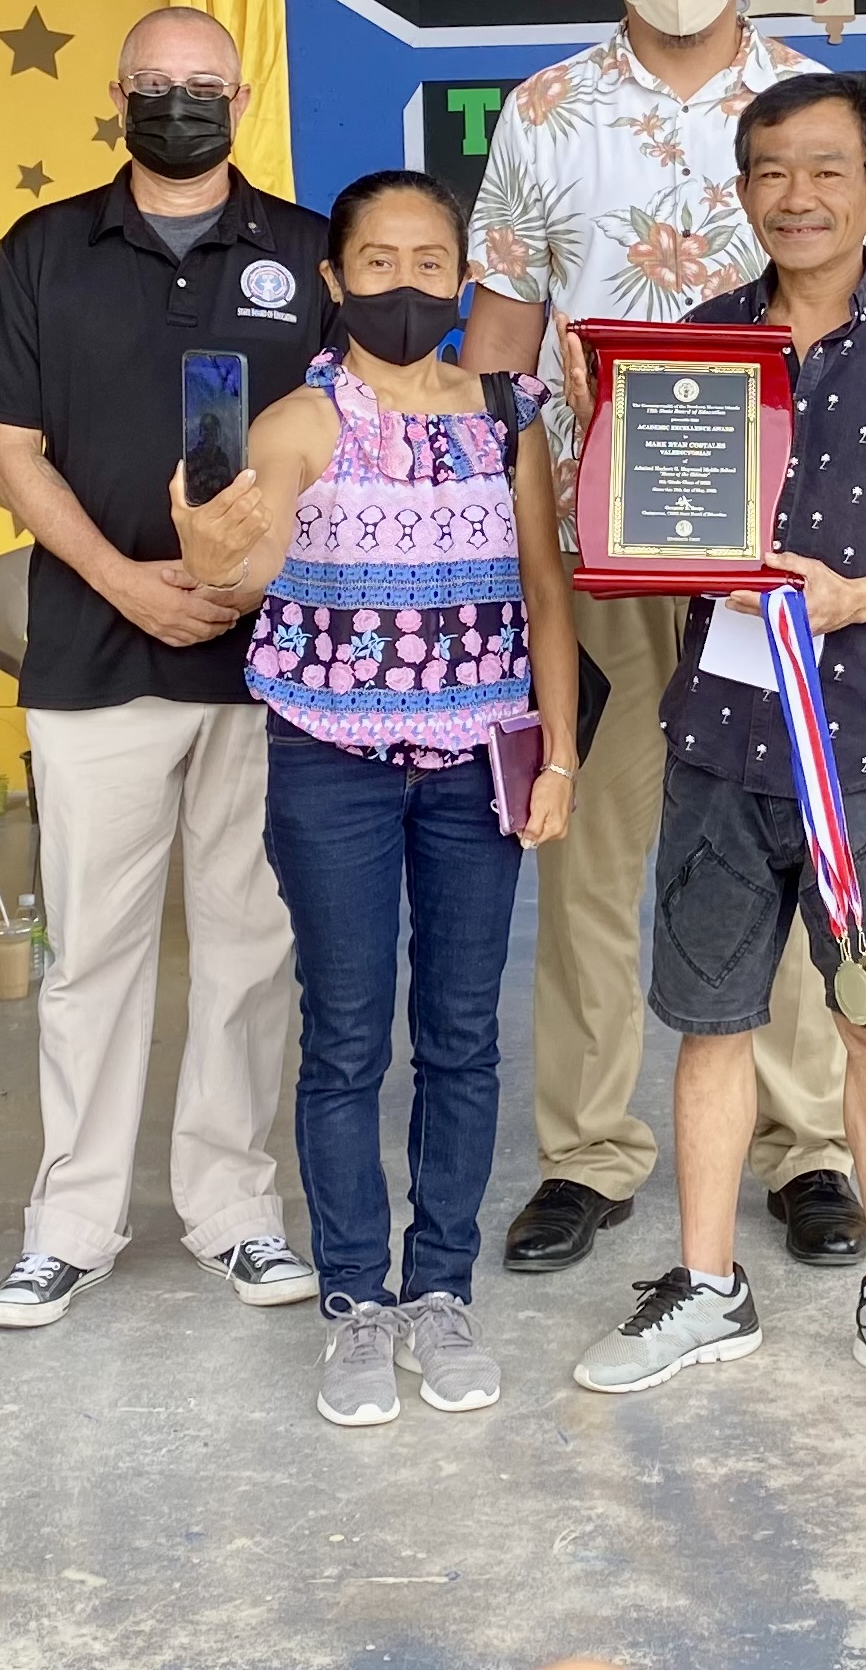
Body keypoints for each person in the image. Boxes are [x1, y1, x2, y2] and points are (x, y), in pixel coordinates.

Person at [460, 0, 866, 1277]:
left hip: (772, 555)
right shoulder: (542, 113)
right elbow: (501, 339)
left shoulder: (800, 107)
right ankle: (589, 1156)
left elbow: (862, 318)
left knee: (779, 836)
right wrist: (489, 517)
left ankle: (806, 1148)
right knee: (592, 847)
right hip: (600, 547)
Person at [566, 72, 866, 1418]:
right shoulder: (695, 351)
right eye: (770, 171)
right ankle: (705, 1287)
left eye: (827, 169)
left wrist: (863, 594)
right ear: (743, 191)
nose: (798, 195)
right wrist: (637, 534)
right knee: (710, 1023)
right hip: (719, 739)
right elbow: (639, 531)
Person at [168, 170, 581, 1429]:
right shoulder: (296, 422)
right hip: (332, 764)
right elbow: (237, 579)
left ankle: (439, 1288)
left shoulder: (509, 414)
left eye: (432, 261)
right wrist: (204, 526)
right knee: (346, 1036)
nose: (409, 284)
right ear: (335, 280)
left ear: (464, 280)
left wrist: (557, 754)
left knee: (460, 1034)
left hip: (478, 764)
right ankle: (356, 1299)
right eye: (381, 262)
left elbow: (546, 592)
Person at [0, 6, 331, 1326]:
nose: (181, 101)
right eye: (156, 84)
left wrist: (242, 584)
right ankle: (70, 1223)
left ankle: (233, 1212)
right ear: (115, 96)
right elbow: (10, 448)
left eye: (205, 83)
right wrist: (123, 582)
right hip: (92, 659)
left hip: (269, 670)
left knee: (249, 946)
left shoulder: (304, 250)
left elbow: (347, 441)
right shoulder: (45, 250)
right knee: (93, 955)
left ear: (244, 94)